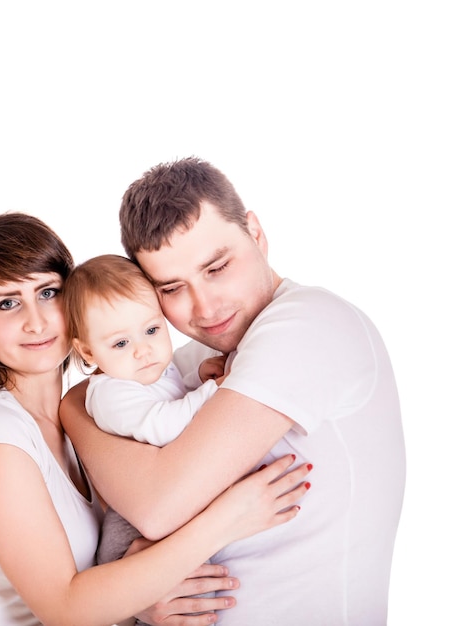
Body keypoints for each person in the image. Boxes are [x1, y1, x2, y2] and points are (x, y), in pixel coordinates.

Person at [0, 211, 312, 626]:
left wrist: (134, 598)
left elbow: (90, 591)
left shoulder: (78, 419)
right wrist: (229, 519)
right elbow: (65, 609)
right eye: (7, 303)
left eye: (48, 292)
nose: (36, 320)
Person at [60, 158, 407, 625]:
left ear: (256, 234)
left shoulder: (309, 323)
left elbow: (157, 506)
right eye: (172, 287)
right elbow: (125, 516)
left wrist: (76, 406)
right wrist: (138, 588)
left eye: (217, 267)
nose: (205, 307)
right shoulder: (183, 368)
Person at [62, 253, 227, 623]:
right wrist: (212, 393)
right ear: (88, 352)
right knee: (175, 604)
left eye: (152, 330)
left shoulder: (147, 371)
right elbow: (162, 426)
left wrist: (197, 378)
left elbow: (169, 396)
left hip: (164, 510)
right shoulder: (109, 393)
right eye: (120, 344)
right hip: (130, 536)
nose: (143, 349)